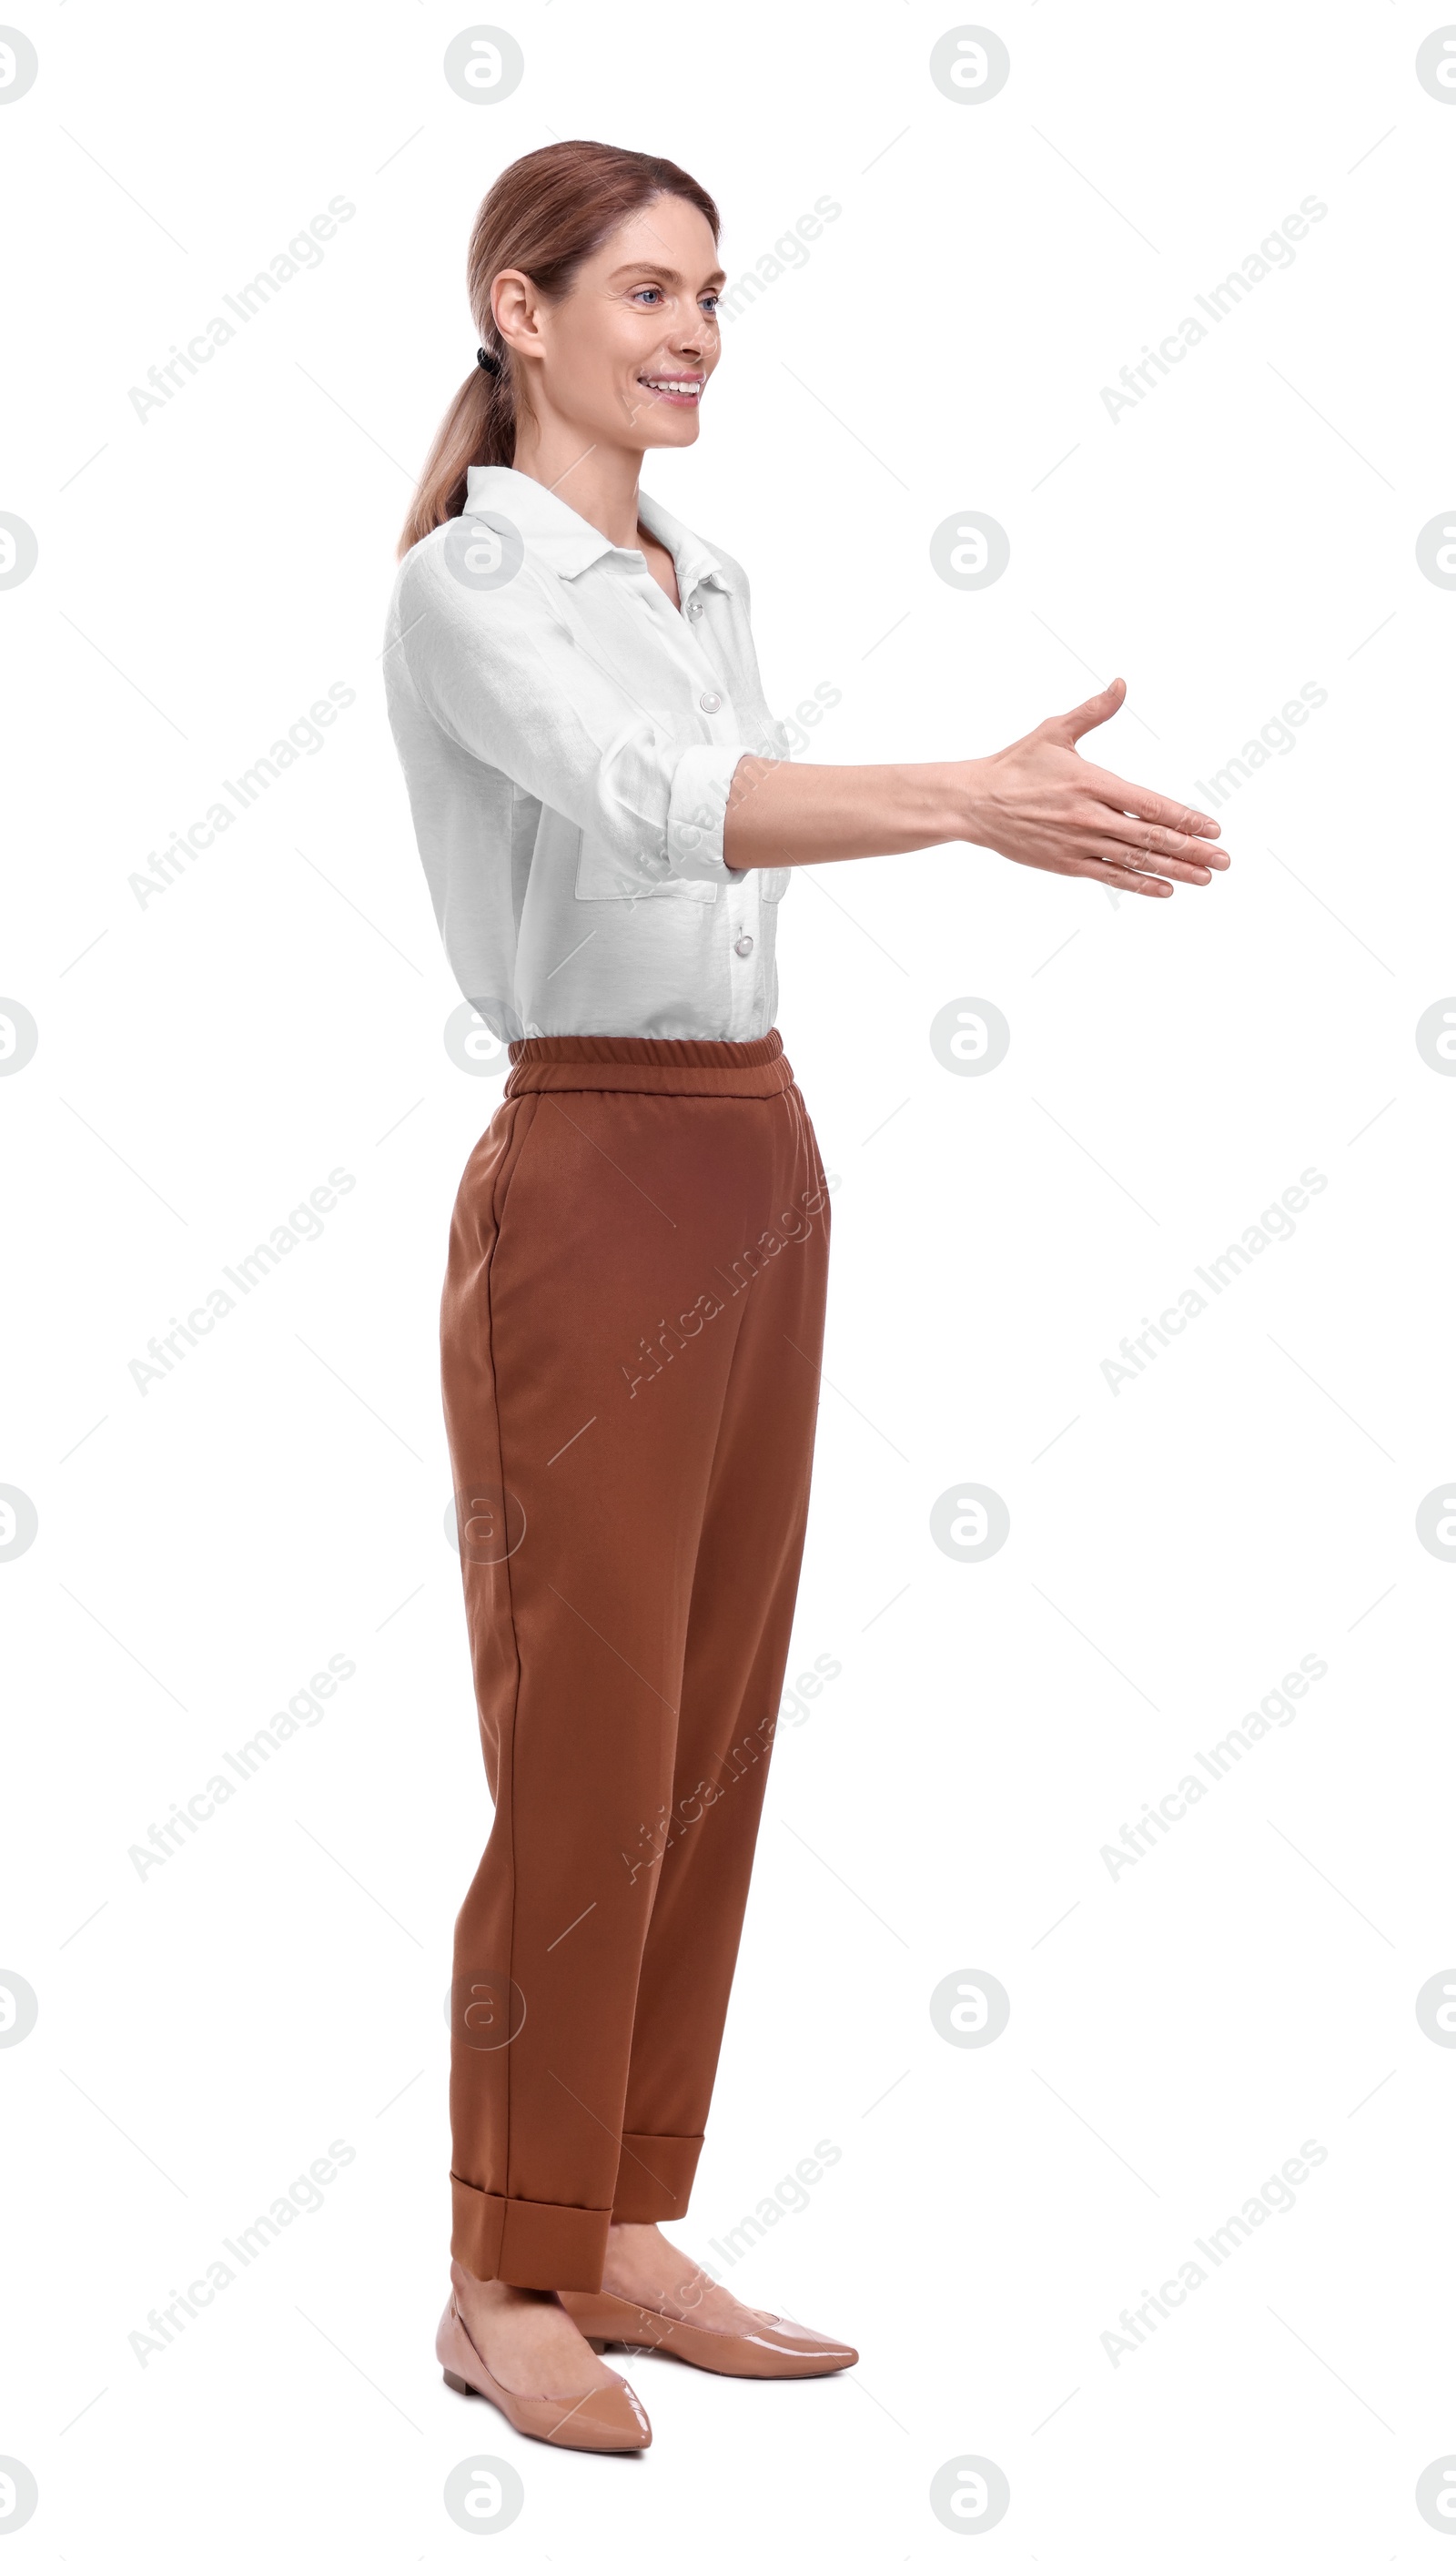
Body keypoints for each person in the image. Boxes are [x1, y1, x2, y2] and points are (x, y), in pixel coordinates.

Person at [384, 137, 1228, 2456]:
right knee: (580, 1733)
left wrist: (949, 804)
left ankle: (623, 2220)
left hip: (757, 1148)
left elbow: (722, 797)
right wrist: (959, 797)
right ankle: (500, 2263)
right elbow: (655, 799)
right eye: (641, 291)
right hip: (586, 1165)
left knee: (708, 1724)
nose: (687, 335)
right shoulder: (472, 587)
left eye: (714, 297)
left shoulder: (706, 565)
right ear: (516, 310)